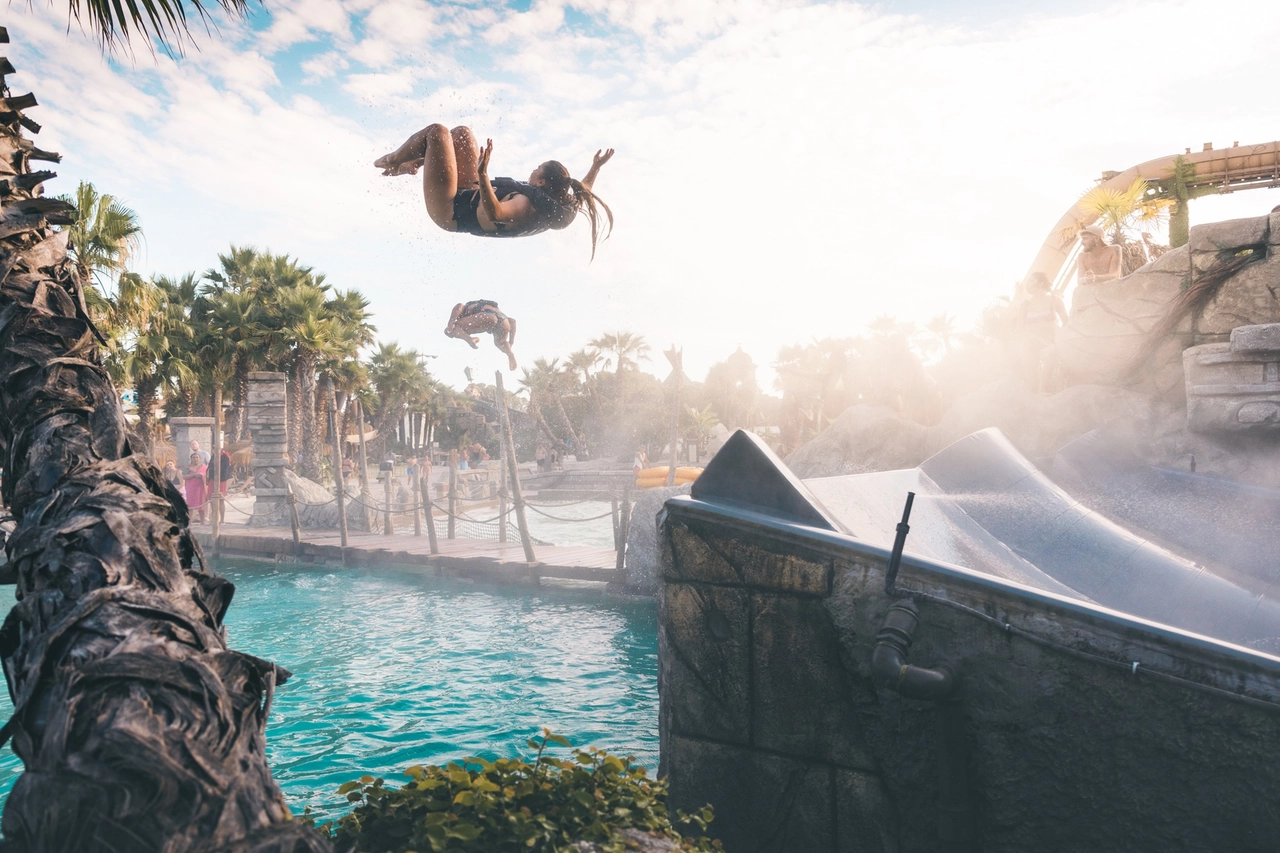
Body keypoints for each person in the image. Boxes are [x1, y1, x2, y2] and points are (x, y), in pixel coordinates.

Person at [374, 125, 614, 258]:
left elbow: (496, 214)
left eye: (537, 169)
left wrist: (483, 174)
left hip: (450, 210)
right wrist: (595, 167)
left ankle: (393, 161)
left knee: (437, 132)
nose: (532, 171)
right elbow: (584, 191)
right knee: (461, 134)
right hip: (470, 191)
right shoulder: (561, 203)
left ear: (541, 182)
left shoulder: (526, 206)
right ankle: (416, 162)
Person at [1017, 273, 1069, 393]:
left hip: (1050, 342)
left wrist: (1059, 337)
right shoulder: (1024, 305)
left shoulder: (1055, 300)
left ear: (1040, 284)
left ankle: (1043, 389)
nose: (1027, 284)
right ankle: (1034, 391)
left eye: (1030, 281)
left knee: (1051, 350)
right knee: (1032, 383)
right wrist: (1038, 340)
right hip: (1030, 343)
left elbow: (1066, 321)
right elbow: (1020, 329)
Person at [444, 299, 520, 371]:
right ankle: (510, 354)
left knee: (450, 330)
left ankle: (470, 339)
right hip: (504, 320)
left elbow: (459, 306)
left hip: (488, 316)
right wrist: (511, 342)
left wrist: (451, 322)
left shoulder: (464, 308)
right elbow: (513, 322)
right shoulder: (487, 306)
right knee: (500, 343)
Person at [183, 452, 208, 523]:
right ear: (191, 459)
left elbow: (208, 476)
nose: (195, 459)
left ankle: (202, 521)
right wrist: (194, 475)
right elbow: (184, 477)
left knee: (201, 505)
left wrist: (202, 475)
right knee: (190, 505)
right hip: (190, 488)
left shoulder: (204, 467)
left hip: (200, 488)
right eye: (194, 457)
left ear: (200, 459)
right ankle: (189, 522)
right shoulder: (187, 467)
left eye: (197, 457)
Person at [213, 447, 233, 523]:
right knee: (212, 500)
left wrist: (221, 478)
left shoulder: (224, 456)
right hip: (213, 479)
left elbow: (225, 469)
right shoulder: (213, 456)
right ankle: (214, 519)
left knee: (221, 500)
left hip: (221, 480)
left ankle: (222, 520)